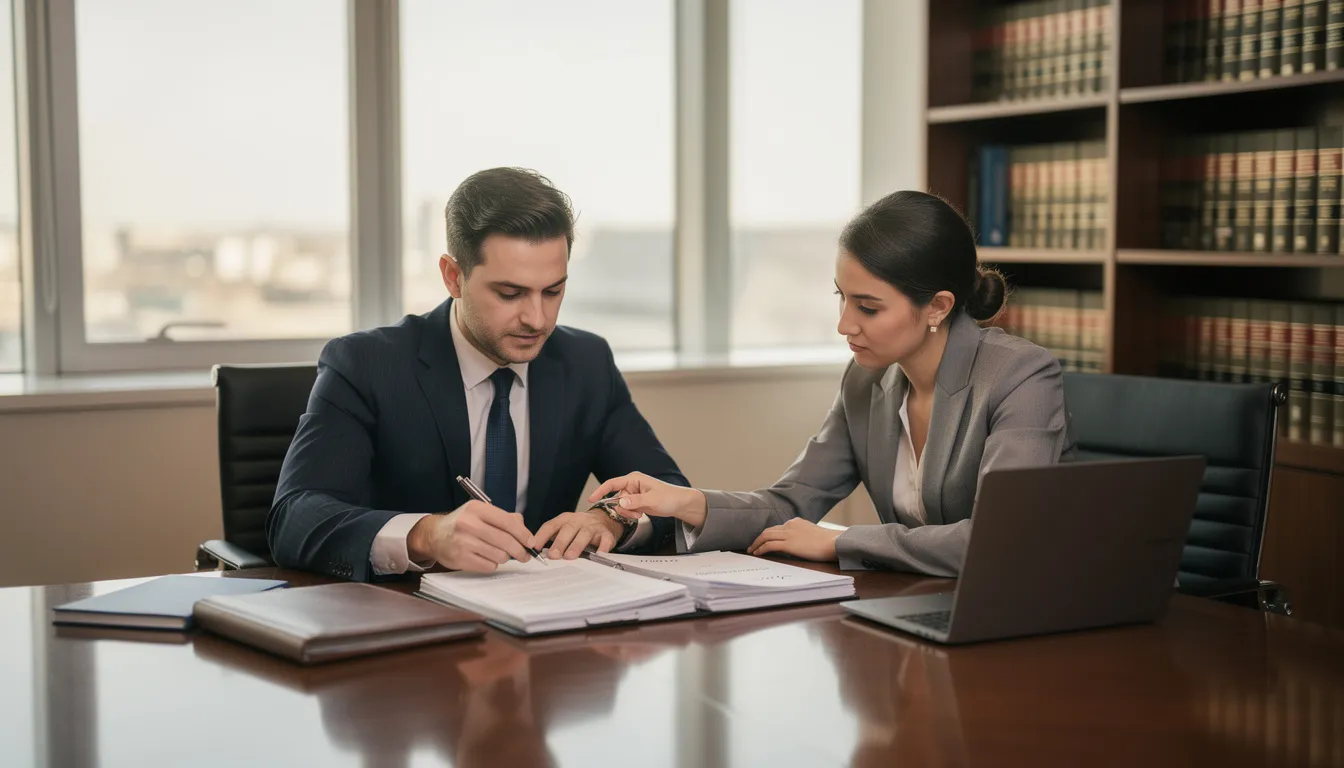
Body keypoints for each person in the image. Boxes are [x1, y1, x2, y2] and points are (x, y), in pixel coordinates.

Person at [588, 190, 1075, 577]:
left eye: (868, 307)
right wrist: (685, 502)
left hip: (1020, 623)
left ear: (939, 307)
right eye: (841, 298)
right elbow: (790, 504)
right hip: (916, 607)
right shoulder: (867, 382)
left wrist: (841, 541)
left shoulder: (1020, 377)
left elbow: (1002, 541)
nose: (844, 325)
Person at [268, 167, 688, 581]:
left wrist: (611, 519)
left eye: (553, 291)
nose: (537, 319)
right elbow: (295, 517)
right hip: (406, 621)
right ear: (454, 277)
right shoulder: (367, 365)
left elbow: (670, 491)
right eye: (510, 293)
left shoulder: (585, 363)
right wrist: (426, 534)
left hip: (548, 618)